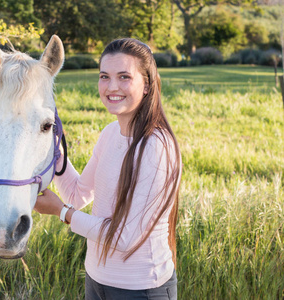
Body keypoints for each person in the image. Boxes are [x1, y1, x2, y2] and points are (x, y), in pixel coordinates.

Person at [34, 38, 182, 299]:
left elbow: (125, 238)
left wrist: (61, 213)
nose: (112, 87)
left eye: (124, 77)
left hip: (141, 289)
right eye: (105, 76)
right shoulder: (110, 133)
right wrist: (54, 152)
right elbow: (78, 195)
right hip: (96, 280)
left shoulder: (155, 147)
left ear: (146, 85)